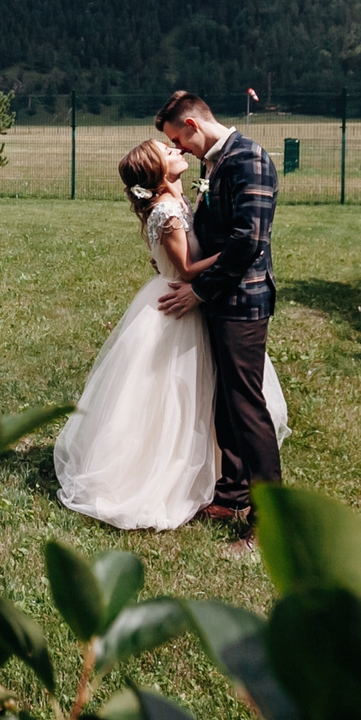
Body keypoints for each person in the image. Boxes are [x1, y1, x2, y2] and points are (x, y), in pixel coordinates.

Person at [51, 141, 289, 531]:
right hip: (177, 306)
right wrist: (239, 250)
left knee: (200, 394)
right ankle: (160, 474)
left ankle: (222, 481)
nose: (176, 149)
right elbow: (188, 267)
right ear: (157, 170)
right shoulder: (165, 209)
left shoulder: (177, 201)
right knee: (171, 396)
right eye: (167, 149)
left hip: (191, 302)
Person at [154, 90, 285, 532]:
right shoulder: (216, 161)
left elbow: (248, 241)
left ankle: (268, 521)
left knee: (247, 406)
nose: (179, 150)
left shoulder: (249, 159)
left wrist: (200, 291)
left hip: (242, 300)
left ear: (193, 125)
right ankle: (232, 494)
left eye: (178, 139)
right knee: (226, 402)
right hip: (220, 299)